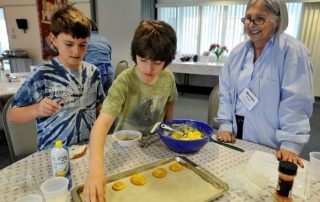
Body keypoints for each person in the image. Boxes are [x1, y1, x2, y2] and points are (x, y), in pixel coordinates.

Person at [83, 19, 178, 201]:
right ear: (135, 55)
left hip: (155, 144)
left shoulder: (168, 78)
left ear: (167, 61)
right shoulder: (124, 82)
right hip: (124, 145)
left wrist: (168, 131)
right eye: (143, 60)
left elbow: (170, 102)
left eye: (157, 63)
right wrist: (95, 171)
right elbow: (101, 125)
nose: (149, 69)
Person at [216, 0, 314, 168]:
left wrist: (290, 144)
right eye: (248, 18)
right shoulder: (238, 52)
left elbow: (295, 101)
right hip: (235, 140)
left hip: (271, 146)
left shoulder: (293, 52)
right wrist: (225, 124)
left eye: (259, 18)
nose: (251, 24)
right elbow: (226, 92)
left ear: (277, 20)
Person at [7, 5, 105, 150]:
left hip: (87, 148)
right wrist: (37, 109)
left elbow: (98, 106)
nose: (76, 51)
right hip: (54, 153)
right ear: (54, 39)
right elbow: (12, 115)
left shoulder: (93, 72)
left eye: (82, 45)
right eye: (69, 44)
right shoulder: (42, 74)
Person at [84, 21, 114, 95]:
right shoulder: (105, 39)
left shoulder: (85, 40)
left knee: (94, 100)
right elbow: (109, 57)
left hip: (95, 72)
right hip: (109, 72)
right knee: (109, 99)